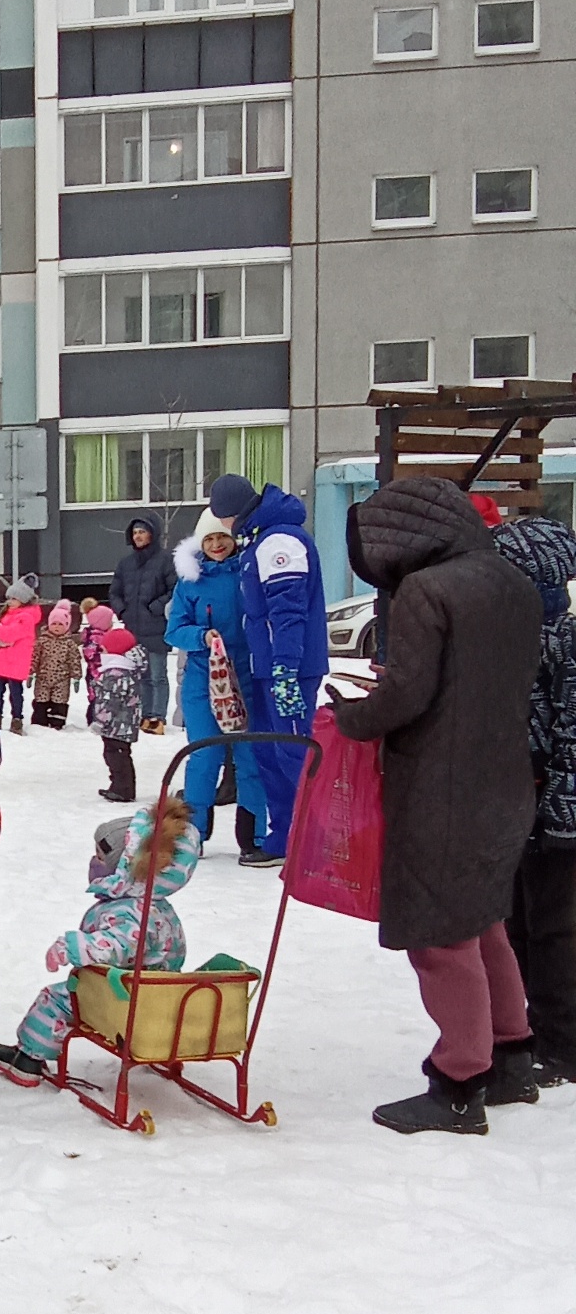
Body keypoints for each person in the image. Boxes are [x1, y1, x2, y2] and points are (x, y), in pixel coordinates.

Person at [334, 478, 542, 1135]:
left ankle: (458, 1082)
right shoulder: (511, 580)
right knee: (485, 924)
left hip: (442, 788)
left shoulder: (429, 589)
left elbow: (410, 698)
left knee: (441, 941)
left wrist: (356, 715)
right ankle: (511, 1057)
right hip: (505, 777)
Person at [0, 801, 201, 1084]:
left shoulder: (129, 911)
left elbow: (114, 945)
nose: (94, 862)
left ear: (125, 869)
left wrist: (72, 945)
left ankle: (28, 1059)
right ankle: (162, 1048)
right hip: (158, 1001)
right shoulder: (159, 907)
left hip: (124, 1000)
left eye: (100, 857)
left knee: (55, 999)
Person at [493, 513, 576, 1085]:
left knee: (556, 927)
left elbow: (570, 732)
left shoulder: (563, 640)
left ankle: (562, 1043)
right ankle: (527, 1030)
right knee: (518, 921)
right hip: (521, 801)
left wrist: (562, 812)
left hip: (559, 810)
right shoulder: (514, 635)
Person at [208, 472, 329, 851]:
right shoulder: (259, 539)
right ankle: (284, 836)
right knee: (268, 750)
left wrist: (286, 668)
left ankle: (313, 840)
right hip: (269, 667)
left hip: (288, 669)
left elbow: (288, 612)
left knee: (291, 751)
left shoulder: (279, 541)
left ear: (232, 512)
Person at [165, 510, 272, 862]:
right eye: (209, 539)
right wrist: (200, 635)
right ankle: (194, 836)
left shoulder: (250, 574)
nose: (216, 545)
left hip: (247, 677)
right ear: (200, 543)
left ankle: (252, 838)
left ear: (234, 539)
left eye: (222, 538)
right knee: (204, 755)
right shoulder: (190, 582)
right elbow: (173, 629)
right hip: (203, 679)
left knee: (249, 756)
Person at [109, 516, 177, 731]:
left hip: (156, 627)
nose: (137, 536)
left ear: (152, 534)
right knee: (142, 676)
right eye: (135, 532)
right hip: (134, 630)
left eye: (142, 531)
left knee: (158, 675)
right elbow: (115, 591)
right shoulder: (126, 563)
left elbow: (174, 590)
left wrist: (156, 608)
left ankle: (159, 717)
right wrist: (122, 611)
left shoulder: (166, 560)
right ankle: (146, 714)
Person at [89, 624, 146, 802]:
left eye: (104, 648)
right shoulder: (127, 670)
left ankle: (123, 789)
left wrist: (100, 721)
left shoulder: (115, 673)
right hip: (124, 723)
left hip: (116, 724)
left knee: (116, 756)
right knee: (121, 755)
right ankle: (121, 786)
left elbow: (110, 700)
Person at [0, 582, 42, 733]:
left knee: (15, 693)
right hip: (2, 660)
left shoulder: (26, 617)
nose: (10, 601)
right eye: (9, 598)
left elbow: (11, 634)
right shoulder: (7, 614)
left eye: (13, 598)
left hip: (15, 662)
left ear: (23, 600)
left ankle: (17, 719)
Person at [28, 599, 82, 730]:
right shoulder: (42, 641)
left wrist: (76, 677)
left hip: (61, 680)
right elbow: (34, 657)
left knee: (60, 701)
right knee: (41, 699)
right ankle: (39, 722)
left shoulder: (69, 644)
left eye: (61, 624)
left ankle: (57, 722)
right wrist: (30, 672)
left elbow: (74, 660)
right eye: (54, 624)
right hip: (43, 677)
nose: (57, 627)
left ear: (67, 626)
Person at [79, 602, 115, 721]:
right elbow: (90, 655)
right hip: (95, 673)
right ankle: (93, 718)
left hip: (102, 673)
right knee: (96, 697)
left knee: (102, 696)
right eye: (109, 621)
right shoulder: (94, 637)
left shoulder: (104, 635)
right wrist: (105, 656)